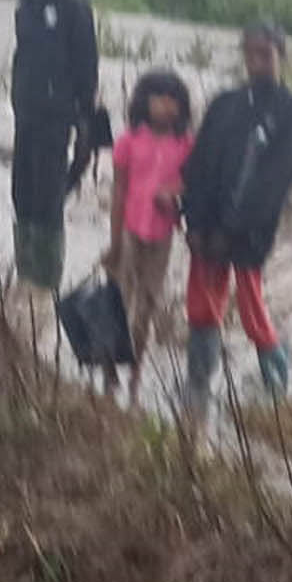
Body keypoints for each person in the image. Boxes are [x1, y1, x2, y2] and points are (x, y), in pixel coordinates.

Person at [180, 21, 292, 420]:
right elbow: (198, 166)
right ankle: (197, 389)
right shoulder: (224, 104)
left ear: (280, 57)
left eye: (265, 54)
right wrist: (195, 223)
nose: (256, 62)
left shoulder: (289, 112)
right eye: (250, 54)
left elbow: (277, 179)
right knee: (202, 308)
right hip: (206, 228)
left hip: (249, 233)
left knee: (253, 313)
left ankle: (275, 390)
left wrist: (234, 231)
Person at [9, 0, 98, 295]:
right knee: (21, 196)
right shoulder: (24, 6)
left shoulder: (75, 8)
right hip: (26, 118)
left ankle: (46, 284)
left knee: (49, 201)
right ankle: (24, 277)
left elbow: (87, 68)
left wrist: (85, 128)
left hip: (57, 120)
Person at [104, 69, 194, 403]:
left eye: (174, 100)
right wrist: (114, 241)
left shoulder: (186, 145)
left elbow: (192, 180)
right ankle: (110, 370)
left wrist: (174, 190)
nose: (167, 106)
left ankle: (137, 370)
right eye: (160, 99)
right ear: (145, 102)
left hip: (162, 234)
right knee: (120, 300)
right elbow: (119, 189)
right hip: (128, 229)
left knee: (148, 305)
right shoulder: (129, 141)